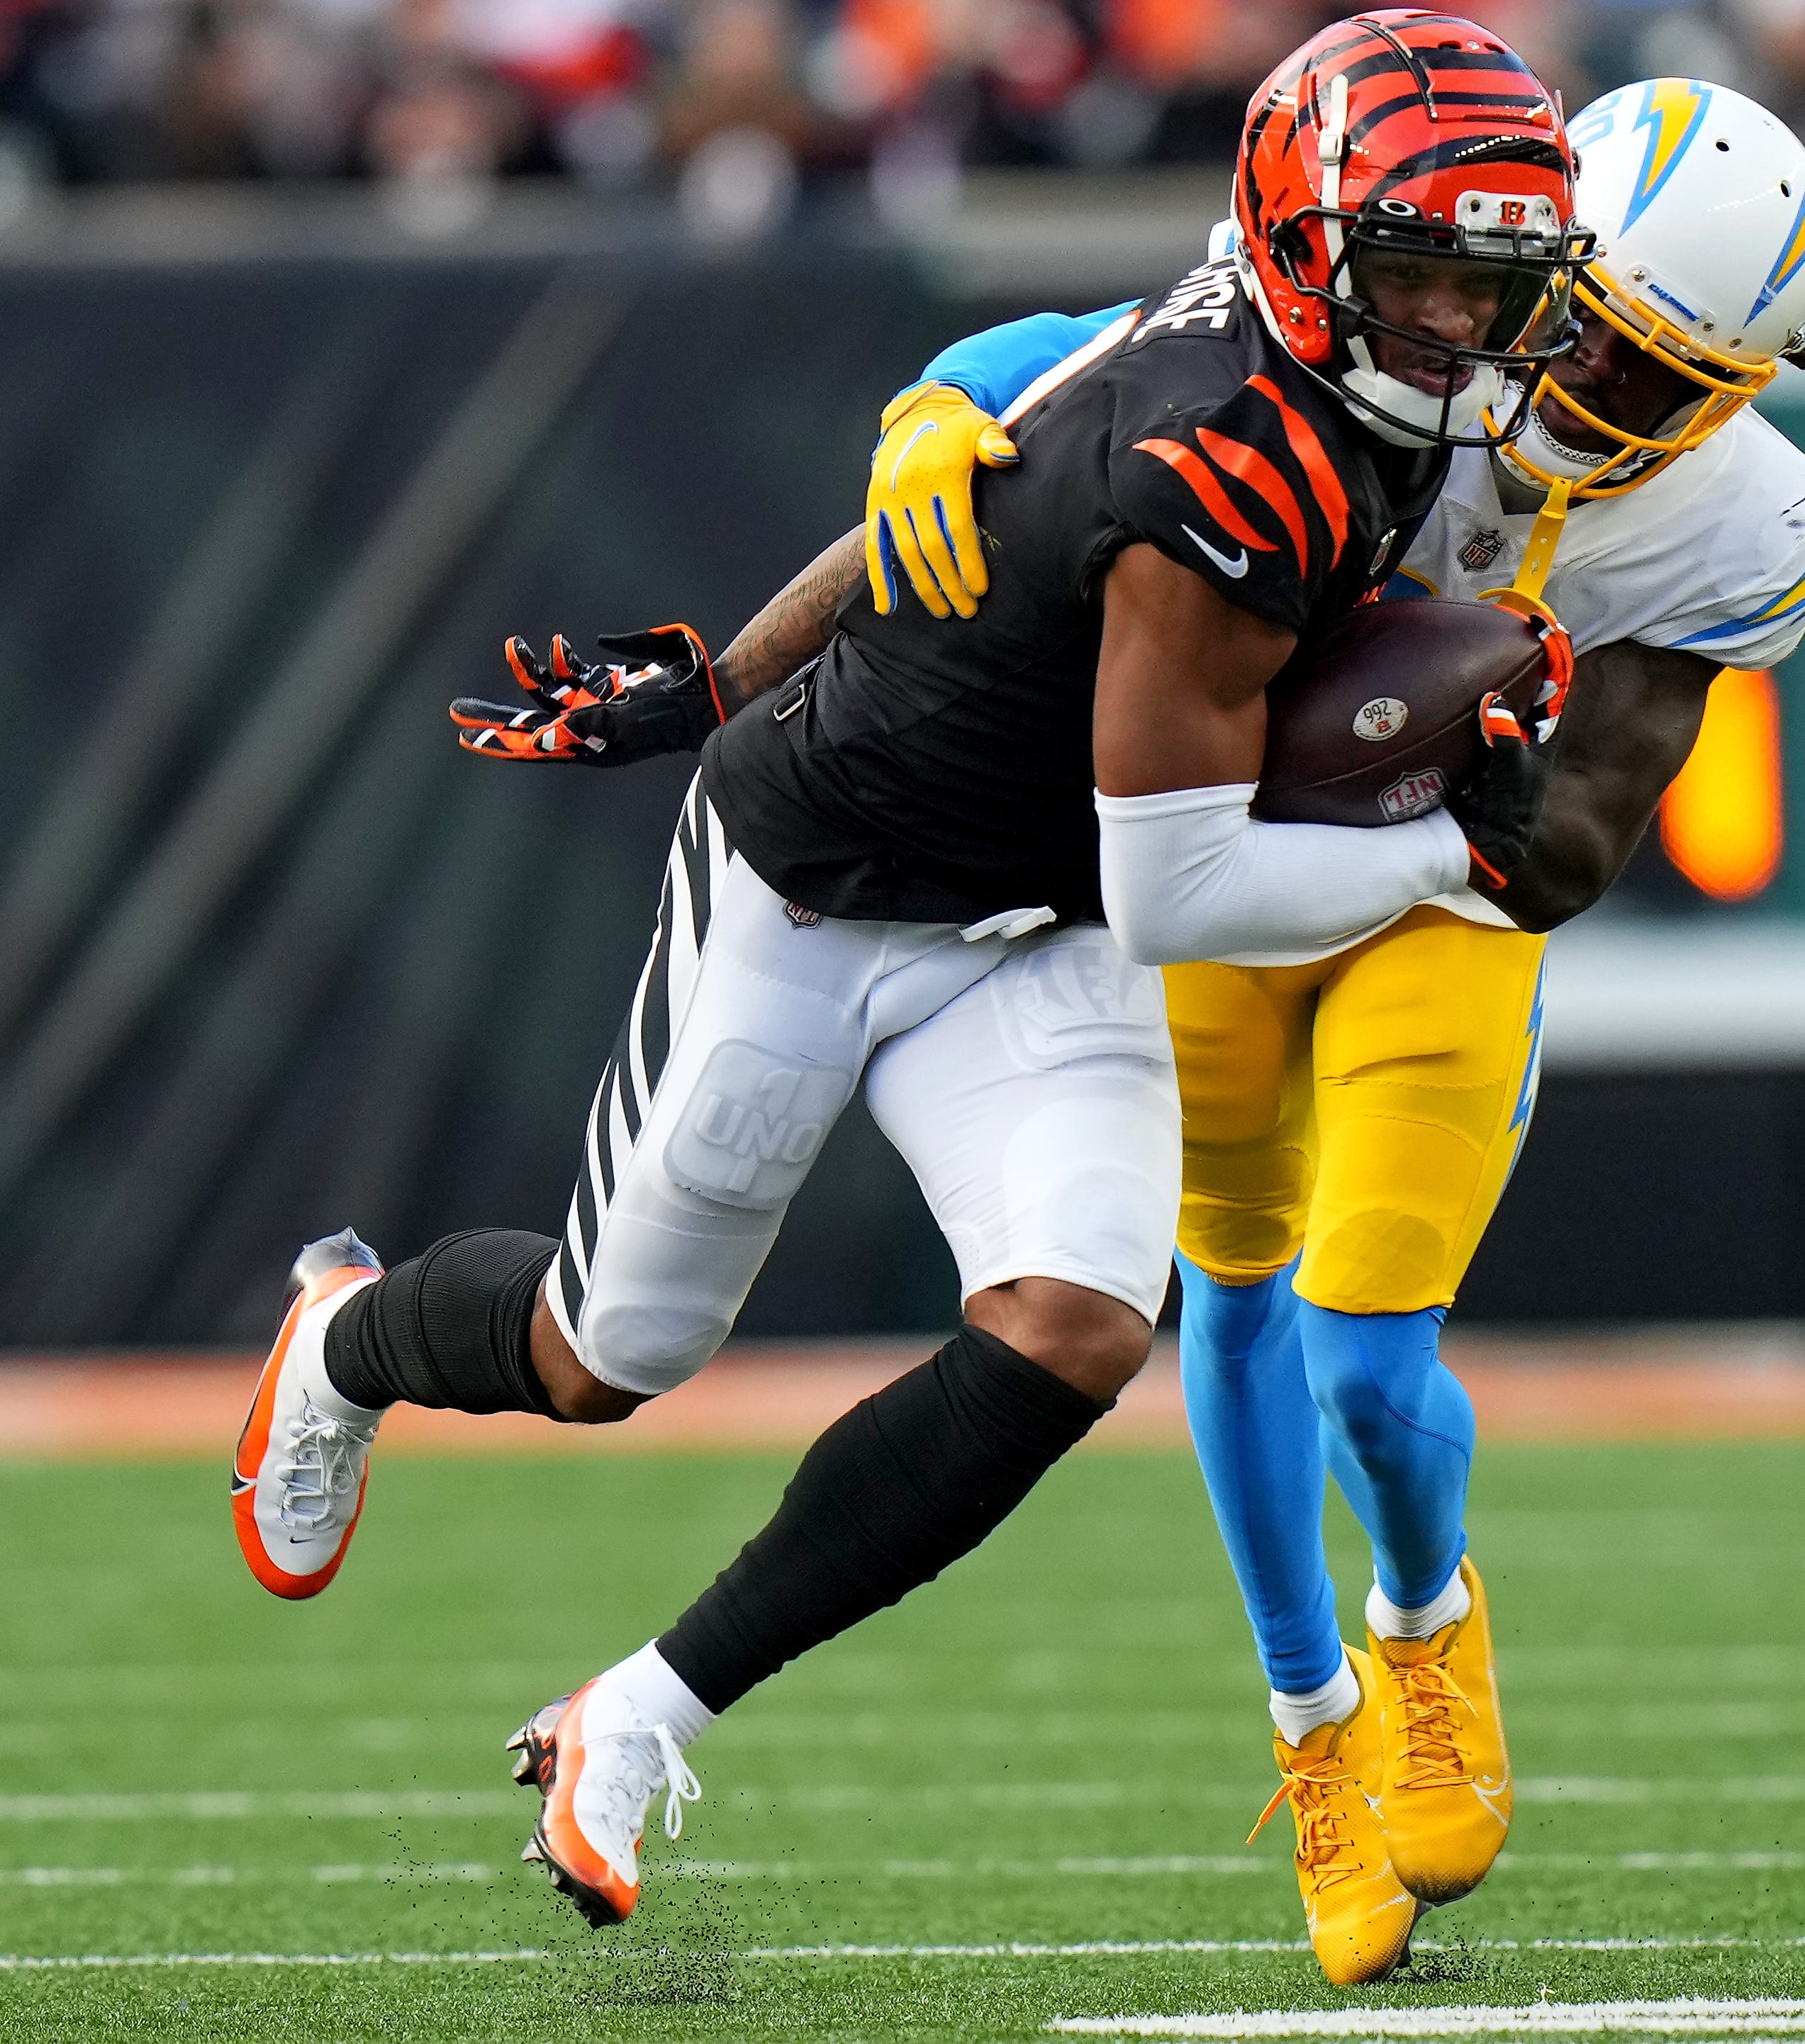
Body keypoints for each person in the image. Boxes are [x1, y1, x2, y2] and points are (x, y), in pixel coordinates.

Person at [225, 9, 1592, 1987]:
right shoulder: (1227, 444)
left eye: (1492, 279)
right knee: (606, 1354)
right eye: (1421, 271)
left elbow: (948, 504)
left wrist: (713, 661)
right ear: (1305, 250)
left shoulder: (1317, 376)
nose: (1458, 321)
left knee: (1071, 1327)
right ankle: (348, 1339)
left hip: (1033, 934)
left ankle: (639, 1712)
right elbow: (1182, 877)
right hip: (825, 881)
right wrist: (1443, 850)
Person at [860, 71, 1805, 1945]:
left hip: (1441, 896)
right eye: (1567, 327)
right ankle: (1311, 1733)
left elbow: (1565, 851)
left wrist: (1464, 731)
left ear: (1734, 393)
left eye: (1646, 379)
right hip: (1223, 856)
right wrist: (941, 405)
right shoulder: (1400, 323)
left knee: (1369, 1356)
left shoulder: (1743, 530)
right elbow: (1076, 350)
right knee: (1223, 1306)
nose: (1568, 390)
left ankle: (1422, 1620)